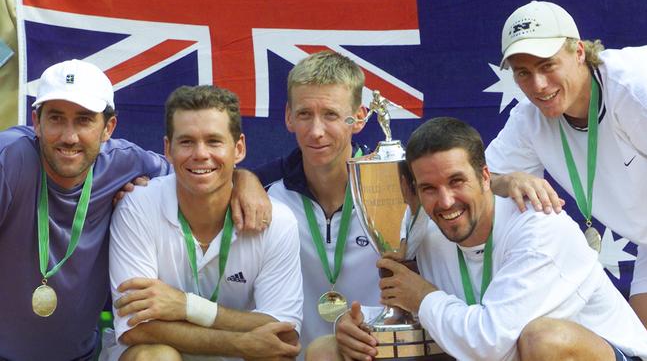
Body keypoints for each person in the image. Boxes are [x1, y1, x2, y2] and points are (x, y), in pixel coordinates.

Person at [0, 59, 269, 360]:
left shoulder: (128, 163)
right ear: (36, 121)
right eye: (56, 118)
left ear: (108, 127)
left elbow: (198, 171)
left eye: (85, 119)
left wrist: (244, 179)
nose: (69, 136)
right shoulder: (8, 160)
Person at [335, 117, 647, 361]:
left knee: (545, 339)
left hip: (612, 354)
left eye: (457, 181)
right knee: (329, 348)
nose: (445, 202)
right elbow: (424, 325)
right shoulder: (425, 234)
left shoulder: (540, 227)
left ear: (486, 177)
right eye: (429, 188)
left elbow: (491, 342)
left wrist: (422, 297)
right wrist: (359, 329)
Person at [102, 85, 303, 361]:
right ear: (167, 150)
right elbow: (136, 327)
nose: (200, 153)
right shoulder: (137, 206)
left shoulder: (276, 219)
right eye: (186, 142)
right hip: (176, 353)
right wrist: (239, 343)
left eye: (214, 141)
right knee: (154, 356)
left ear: (239, 148)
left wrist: (186, 306)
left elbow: (284, 330)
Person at [485, 0, 647, 328]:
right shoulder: (529, 121)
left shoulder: (635, 89)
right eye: (523, 73)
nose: (538, 86)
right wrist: (510, 181)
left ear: (578, 52)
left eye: (547, 66)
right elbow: (482, 178)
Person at [262, 51, 382, 359]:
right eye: (304, 114)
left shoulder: (393, 191)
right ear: (289, 116)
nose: (316, 131)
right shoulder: (262, 193)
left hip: (372, 351)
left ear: (359, 117)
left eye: (330, 114)